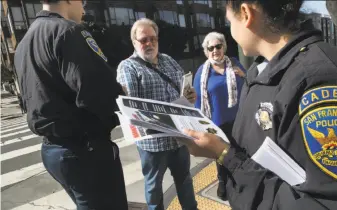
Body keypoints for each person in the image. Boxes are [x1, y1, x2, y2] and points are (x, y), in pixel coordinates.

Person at [183, 0, 337, 209]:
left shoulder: (316, 78)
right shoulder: (261, 70)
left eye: (229, 21)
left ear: (246, 14)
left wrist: (226, 156)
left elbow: (320, 202)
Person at [14, 1, 128, 209]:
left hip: (53, 150)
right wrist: (120, 95)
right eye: (81, 1)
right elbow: (96, 92)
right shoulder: (69, 32)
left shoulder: (24, 42)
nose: (84, 8)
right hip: (84, 151)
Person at [117, 18, 198, 210]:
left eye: (153, 39)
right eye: (144, 40)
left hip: (178, 137)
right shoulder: (128, 67)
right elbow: (132, 109)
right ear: (134, 42)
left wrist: (189, 96)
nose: (149, 43)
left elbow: (183, 90)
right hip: (153, 143)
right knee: (154, 187)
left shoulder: (168, 61)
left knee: (185, 181)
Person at [193, 31, 245, 200]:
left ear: (224, 47)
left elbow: (251, 85)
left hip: (238, 121)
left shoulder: (235, 64)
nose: (215, 50)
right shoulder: (202, 72)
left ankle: (240, 184)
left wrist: (244, 76)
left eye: (218, 46)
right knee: (222, 157)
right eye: (211, 48)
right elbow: (197, 101)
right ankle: (223, 183)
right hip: (216, 124)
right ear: (206, 51)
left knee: (239, 154)